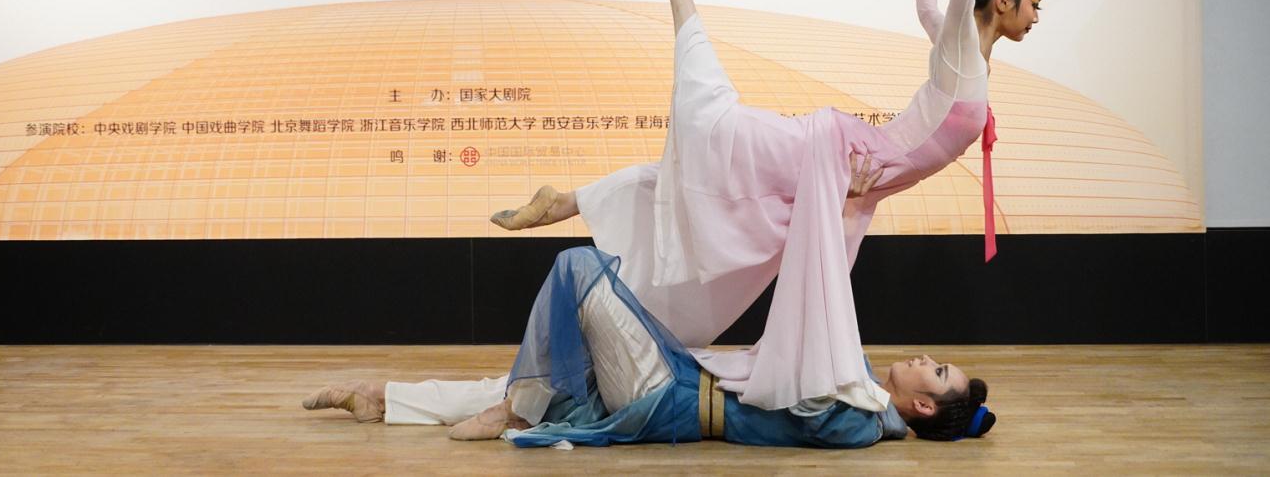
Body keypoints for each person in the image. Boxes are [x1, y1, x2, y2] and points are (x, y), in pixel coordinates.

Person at [490, 0, 1042, 410]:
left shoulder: (963, 55)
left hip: (849, 188)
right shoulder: (962, 53)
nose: (1036, 16)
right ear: (1003, 0)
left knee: (725, 204)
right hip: (834, 155)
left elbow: (932, 7)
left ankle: (571, 201)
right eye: (1034, 3)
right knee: (712, 130)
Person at [301, 246, 996, 447]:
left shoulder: (858, 421)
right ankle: (383, 399)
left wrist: (832, 222)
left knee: (579, 266)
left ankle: (519, 410)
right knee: (528, 381)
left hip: (666, 399)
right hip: (673, 378)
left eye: (935, 371)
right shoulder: (862, 384)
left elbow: (803, 376)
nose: (923, 358)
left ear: (923, 406)